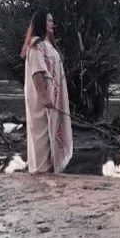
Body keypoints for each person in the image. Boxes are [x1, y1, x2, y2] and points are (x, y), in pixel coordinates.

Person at [20, 10, 73, 174]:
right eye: (49, 21)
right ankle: (41, 170)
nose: (52, 23)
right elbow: (37, 73)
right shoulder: (36, 46)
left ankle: (52, 167)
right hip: (42, 101)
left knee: (51, 132)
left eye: (52, 20)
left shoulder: (48, 45)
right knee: (41, 134)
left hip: (53, 99)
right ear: (41, 23)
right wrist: (44, 97)